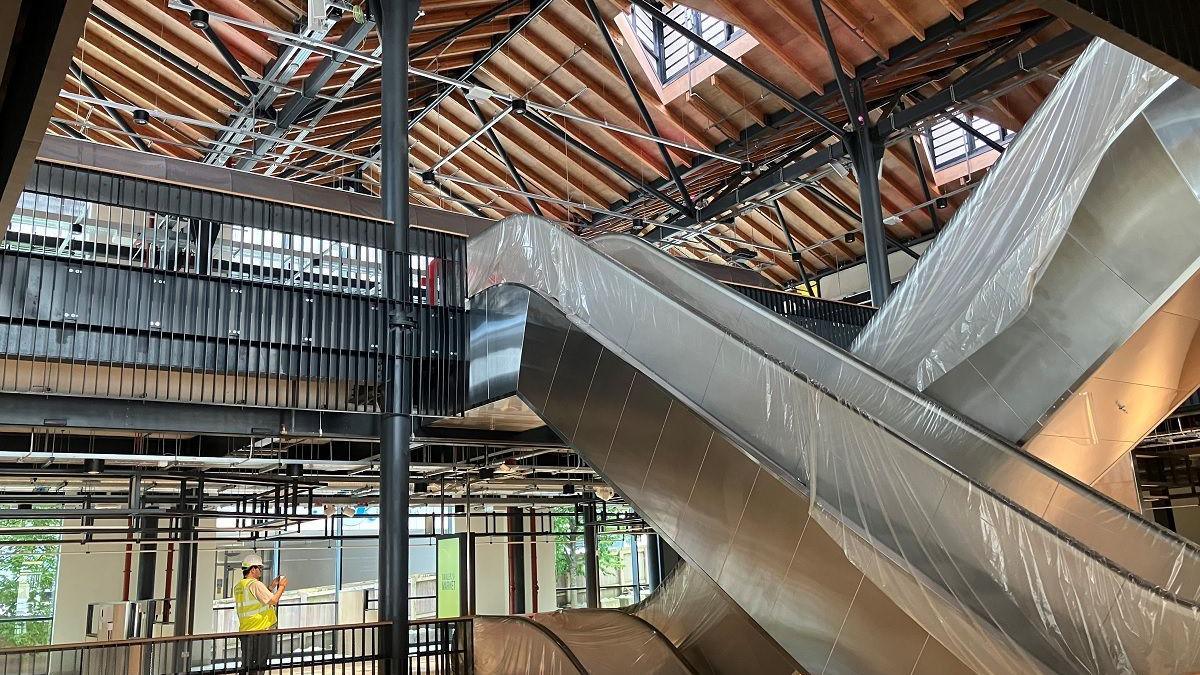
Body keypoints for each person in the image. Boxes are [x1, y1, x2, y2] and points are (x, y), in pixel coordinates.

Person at [233, 553, 287, 675]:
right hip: (259, 631)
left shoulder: (240, 586)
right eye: (260, 568)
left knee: (247, 663)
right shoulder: (255, 584)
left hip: (246, 630)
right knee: (259, 664)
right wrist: (281, 588)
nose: (261, 571)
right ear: (253, 569)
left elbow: (258, 599)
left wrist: (271, 587)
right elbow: (272, 601)